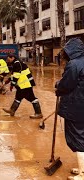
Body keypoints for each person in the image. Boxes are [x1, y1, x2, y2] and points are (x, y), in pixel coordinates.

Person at [55, 38, 84, 180]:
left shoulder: (74, 64)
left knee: (78, 140)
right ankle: (82, 168)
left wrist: (58, 86)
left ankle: (83, 174)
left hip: (77, 109)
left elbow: (67, 84)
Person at [3, 53, 43, 119]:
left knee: (32, 98)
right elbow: (15, 74)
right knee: (18, 98)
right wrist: (9, 80)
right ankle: (12, 110)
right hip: (22, 85)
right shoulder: (17, 63)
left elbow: (17, 76)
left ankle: (38, 113)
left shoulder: (17, 63)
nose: (8, 61)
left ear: (12, 57)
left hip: (25, 84)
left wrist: (12, 85)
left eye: (8, 59)